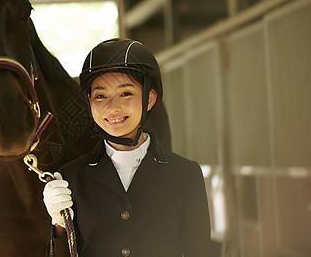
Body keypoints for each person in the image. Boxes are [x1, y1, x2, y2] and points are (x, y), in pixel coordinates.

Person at [43, 38, 211, 256]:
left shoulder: (185, 174)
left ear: (149, 99)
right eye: (100, 95)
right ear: (90, 103)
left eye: (126, 93)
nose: (112, 107)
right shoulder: (70, 178)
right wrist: (59, 226)